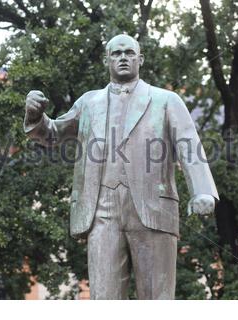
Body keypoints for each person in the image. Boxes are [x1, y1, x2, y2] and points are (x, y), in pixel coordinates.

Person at [23, 34, 219, 299]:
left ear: (140, 59)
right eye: (116, 54)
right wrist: (35, 115)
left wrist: (202, 191)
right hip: (102, 211)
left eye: (129, 52)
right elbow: (53, 133)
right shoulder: (89, 102)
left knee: (157, 299)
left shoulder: (166, 100)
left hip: (153, 208)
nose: (123, 57)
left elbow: (189, 145)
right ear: (107, 61)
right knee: (103, 298)